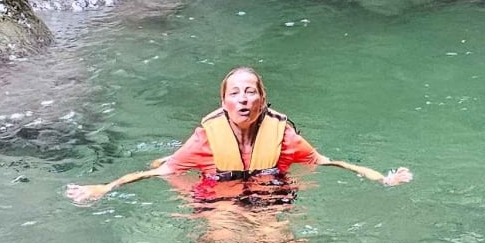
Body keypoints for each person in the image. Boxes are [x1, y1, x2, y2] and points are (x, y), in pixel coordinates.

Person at [65, 66, 412, 206]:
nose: (243, 99)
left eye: (250, 92)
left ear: (262, 99)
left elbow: (327, 161)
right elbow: (160, 172)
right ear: (224, 102)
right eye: (235, 93)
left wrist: (382, 178)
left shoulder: (284, 137)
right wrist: (105, 188)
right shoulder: (205, 139)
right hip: (219, 199)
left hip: (271, 195)